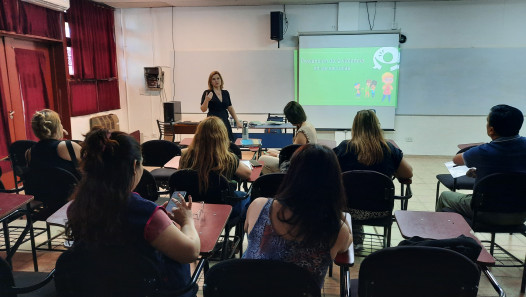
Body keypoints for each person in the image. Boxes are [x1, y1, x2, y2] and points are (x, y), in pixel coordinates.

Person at [66, 128, 200, 294]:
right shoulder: (146, 213)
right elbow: (191, 252)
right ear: (135, 165)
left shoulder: (78, 206)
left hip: (98, 288)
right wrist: (187, 220)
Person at [243, 144, 352, 288]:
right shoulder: (337, 230)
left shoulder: (258, 206)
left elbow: (246, 229)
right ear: (334, 182)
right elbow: (346, 245)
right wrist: (334, 207)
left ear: (291, 174)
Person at [333, 109, 413, 248]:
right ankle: (359, 237)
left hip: (348, 210)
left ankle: (355, 237)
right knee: (364, 195)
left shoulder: (344, 148)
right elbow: (408, 174)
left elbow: (329, 171)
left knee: (353, 193)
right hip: (381, 211)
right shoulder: (389, 149)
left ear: (355, 126)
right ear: (377, 126)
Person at [436, 104, 526, 221]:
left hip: (485, 211)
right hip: (520, 214)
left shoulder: (483, 151)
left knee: (445, 196)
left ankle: (445, 238)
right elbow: (511, 171)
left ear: (491, 130)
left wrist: (479, 148)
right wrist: (481, 173)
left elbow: (456, 159)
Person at [179, 116, 251, 218]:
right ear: (222, 136)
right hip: (221, 209)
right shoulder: (228, 158)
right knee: (246, 197)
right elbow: (247, 174)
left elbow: (180, 176)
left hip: (191, 206)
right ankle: (239, 230)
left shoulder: (185, 155)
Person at [259, 101, 317, 174]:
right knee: (270, 152)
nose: (288, 120)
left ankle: (278, 183)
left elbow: (295, 158)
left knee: (262, 160)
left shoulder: (302, 132)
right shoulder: (308, 125)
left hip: (298, 167)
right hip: (303, 163)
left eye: (288, 117)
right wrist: (278, 153)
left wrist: (277, 155)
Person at [26, 109, 81, 179]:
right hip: (71, 189)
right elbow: (91, 168)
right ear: (57, 127)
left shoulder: (29, 153)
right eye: (60, 123)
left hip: (43, 189)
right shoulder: (68, 146)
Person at [200, 71, 242, 142]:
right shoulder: (207, 92)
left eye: (218, 78)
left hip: (224, 120)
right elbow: (203, 109)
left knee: (227, 142)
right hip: (213, 122)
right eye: (213, 79)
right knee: (214, 143)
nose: (216, 81)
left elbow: (230, 108)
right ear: (210, 82)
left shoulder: (225, 93)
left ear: (221, 80)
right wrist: (207, 100)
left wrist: (237, 121)